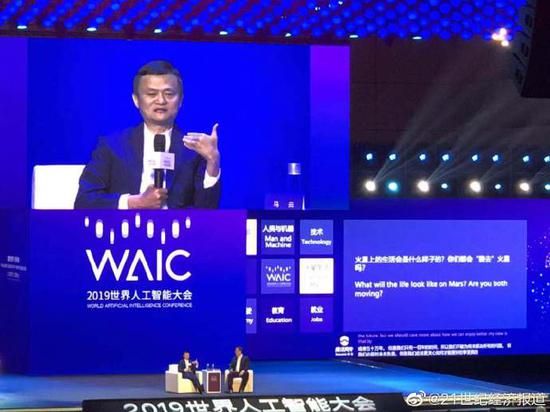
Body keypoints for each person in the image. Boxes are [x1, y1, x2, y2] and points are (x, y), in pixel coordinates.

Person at [74, 60, 221, 209]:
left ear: (180, 100)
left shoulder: (193, 150)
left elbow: (207, 212)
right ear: (136, 100)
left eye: (169, 94)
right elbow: (84, 201)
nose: (161, 100)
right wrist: (133, 202)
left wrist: (213, 162)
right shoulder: (112, 146)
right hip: (127, 223)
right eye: (152, 94)